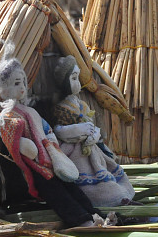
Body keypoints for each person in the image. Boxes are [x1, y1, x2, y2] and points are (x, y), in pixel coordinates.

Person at [0, 48, 110, 227]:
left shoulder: (31, 111)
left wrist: (52, 146)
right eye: (16, 83)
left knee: (71, 187)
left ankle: (95, 214)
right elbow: (14, 141)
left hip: (51, 158)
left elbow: (47, 130)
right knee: (56, 194)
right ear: (4, 88)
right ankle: (82, 221)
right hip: (36, 166)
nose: (22, 88)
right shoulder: (7, 116)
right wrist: (27, 146)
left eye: (24, 82)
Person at [51, 56, 134, 207]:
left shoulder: (80, 103)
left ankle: (121, 194)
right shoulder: (61, 107)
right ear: (64, 82)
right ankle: (104, 199)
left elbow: (91, 124)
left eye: (77, 77)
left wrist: (94, 134)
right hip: (76, 151)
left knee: (105, 169)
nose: (78, 83)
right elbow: (58, 130)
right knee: (91, 180)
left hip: (92, 149)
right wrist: (77, 130)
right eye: (73, 78)